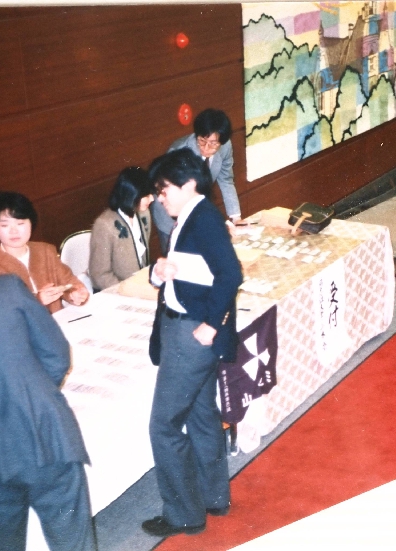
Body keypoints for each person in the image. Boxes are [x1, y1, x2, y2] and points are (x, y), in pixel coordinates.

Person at [142, 148, 243, 537]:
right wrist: (158, 273)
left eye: (164, 189)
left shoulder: (203, 219)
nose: (160, 197)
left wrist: (212, 326)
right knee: (201, 416)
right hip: (183, 326)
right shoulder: (191, 216)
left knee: (163, 426)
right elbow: (195, 274)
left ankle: (183, 513)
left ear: (188, 185)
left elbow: (230, 274)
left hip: (190, 334)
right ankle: (214, 497)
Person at [0, 274, 95, 551]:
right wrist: (36, 395)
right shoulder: (5, 287)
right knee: (73, 543)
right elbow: (56, 355)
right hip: (42, 433)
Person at [0, 191, 89, 313]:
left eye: (20, 223)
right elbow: (0, 310)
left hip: (59, 321)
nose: (14, 231)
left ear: (31, 223)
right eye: (4, 225)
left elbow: (68, 281)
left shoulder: (46, 251)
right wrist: (37, 300)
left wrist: (75, 293)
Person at [152, 108, 240, 252]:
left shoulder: (225, 147)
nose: (206, 148)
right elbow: (178, 196)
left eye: (213, 144)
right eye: (202, 141)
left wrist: (236, 217)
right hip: (170, 209)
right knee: (176, 256)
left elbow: (226, 180)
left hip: (194, 207)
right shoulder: (180, 151)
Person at [89, 166, 155, 291]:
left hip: (139, 286)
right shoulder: (104, 224)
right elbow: (99, 275)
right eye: (146, 195)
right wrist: (127, 290)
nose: (152, 199)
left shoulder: (144, 214)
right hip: (115, 291)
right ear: (131, 195)